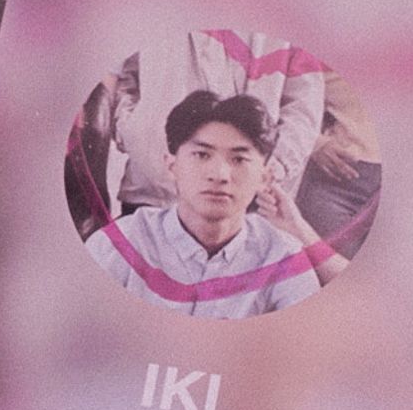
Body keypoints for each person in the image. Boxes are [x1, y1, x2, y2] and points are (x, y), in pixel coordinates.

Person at [83, 92, 350, 318]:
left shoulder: (284, 259)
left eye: (239, 159)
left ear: (265, 177)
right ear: (172, 165)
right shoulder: (119, 244)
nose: (220, 174)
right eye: (202, 155)